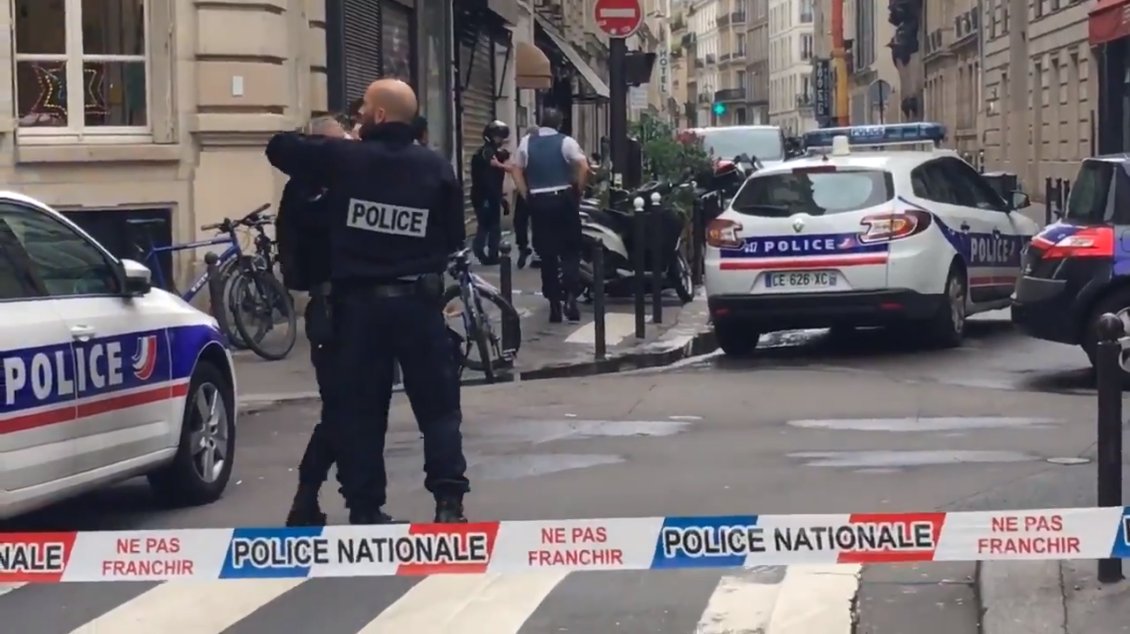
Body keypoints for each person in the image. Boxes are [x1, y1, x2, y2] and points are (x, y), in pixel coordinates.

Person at [265, 79, 470, 525]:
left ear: (377, 117)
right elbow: (454, 235)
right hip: (419, 305)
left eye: (360, 116)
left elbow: (279, 148)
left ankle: (365, 507)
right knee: (438, 409)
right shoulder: (436, 167)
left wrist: (328, 141)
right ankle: (448, 503)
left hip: (359, 309)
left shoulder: (344, 160)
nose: (356, 123)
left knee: (360, 411)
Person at [276, 114, 348, 527]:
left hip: (331, 307)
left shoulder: (305, 188)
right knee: (343, 409)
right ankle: (310, 495)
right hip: (335, 307)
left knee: (345, 408)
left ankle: (315, 496)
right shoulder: (313, 191)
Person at [510, 108, 589, 323]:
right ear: (559, 123)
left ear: (541, 122)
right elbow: (583, 166)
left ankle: (554, 303)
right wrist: (577, 190)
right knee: (571, 250)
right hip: (563, 199)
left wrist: (526, 193)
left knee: (547, 255)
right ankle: (571, 297)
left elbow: (515, 169)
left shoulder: (527, 142)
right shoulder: (566, 142)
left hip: (539, 201)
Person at [470, 120, 511, 265]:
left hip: (490, 195)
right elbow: (491, 170)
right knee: (487, 225)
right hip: (484, 195)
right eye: (498, 137)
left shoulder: (492, 152)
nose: (501, 140)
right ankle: (481, 251)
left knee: (493, 226)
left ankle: (491, 254)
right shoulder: (486, 152)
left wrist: (501, 198)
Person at [511, 125, 539, 268]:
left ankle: (525, 247)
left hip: (527, 192)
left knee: (521, 221)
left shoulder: (523, 148)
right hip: (536, 191)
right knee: (535, 222)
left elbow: (516, 169)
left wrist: (522, 192)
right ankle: (533, 250)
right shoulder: (539, 149)